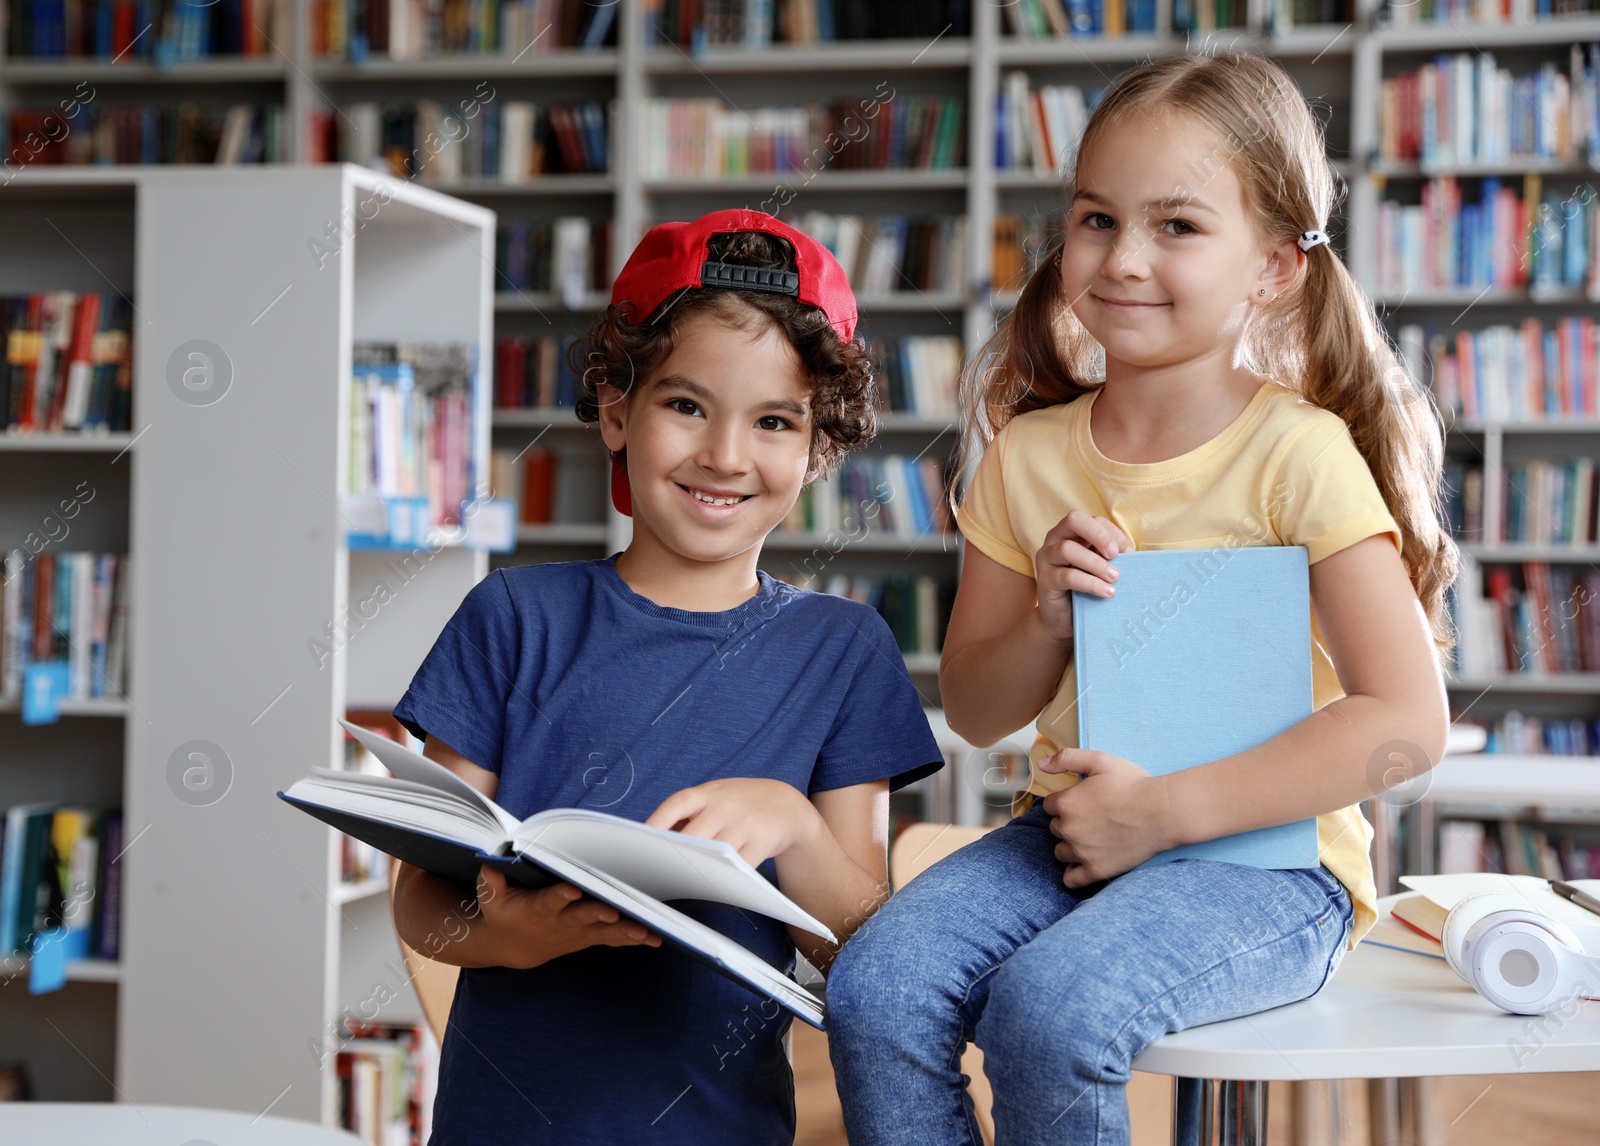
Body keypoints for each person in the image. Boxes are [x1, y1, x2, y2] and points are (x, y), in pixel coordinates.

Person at [825, 53, 1455, 1145]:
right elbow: (977, 709)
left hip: (1269, 866)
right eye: (1097, 219)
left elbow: (1407, 725)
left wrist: (1160, 815)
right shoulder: (1026, 456)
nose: (1123, 259)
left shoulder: (1297, 455)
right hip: (1064, 838)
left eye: (1176, 226)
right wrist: (1045, 624)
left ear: (1271, 268)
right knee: (875, 989)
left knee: (1050, 1010)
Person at [389, 208, 943, 1145]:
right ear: (617, 410)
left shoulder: (846, 652)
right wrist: (511, 939)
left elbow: (860, 950)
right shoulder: (512, 618)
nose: (726, 456)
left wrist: (794, 824)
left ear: (817, 450)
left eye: (773, 421)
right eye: (687, 405)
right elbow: (422, 898)